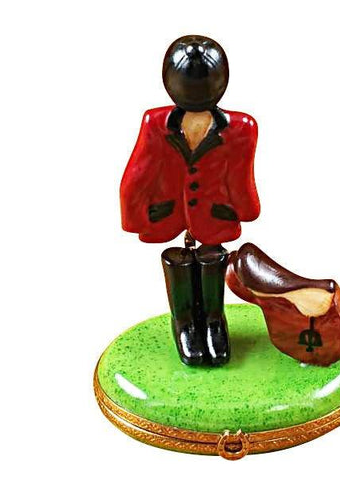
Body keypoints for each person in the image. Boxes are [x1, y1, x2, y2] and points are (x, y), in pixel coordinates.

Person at [120, 35, 260, 366]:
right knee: (179, 262)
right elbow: (138, 174)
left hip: (214, 214)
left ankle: (214, 321)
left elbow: (240, 174)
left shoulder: (241, 128)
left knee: (213, 258)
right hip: (169, 213)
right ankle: (184, 323)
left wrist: (246, 210)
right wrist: (135, 218)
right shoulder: (155, 124)